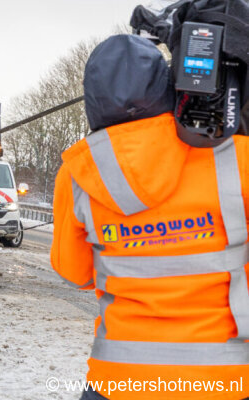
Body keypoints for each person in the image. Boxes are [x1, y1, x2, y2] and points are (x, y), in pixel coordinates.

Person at [51, 34, 249, 400]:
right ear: (170, 88)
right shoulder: (237, 157)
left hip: (119, 379)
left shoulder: (78, 173)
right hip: (225, 379)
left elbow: (73, 272)